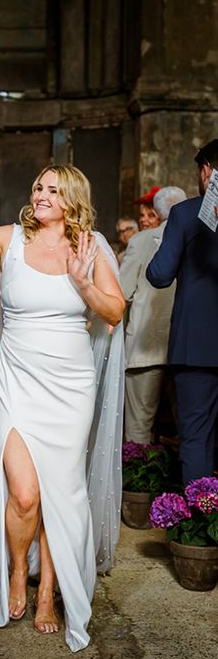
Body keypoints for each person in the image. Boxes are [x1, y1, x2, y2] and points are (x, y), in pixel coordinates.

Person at [0, 161, 124, 651]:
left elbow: (115, 309)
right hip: (17, 381)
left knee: (61, 492)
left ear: (71, 200)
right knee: (23, 493)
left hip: (70, 385)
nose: (39, 195)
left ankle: (47, 593)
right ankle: (19, 570)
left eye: (51, 190)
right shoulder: (8, 239)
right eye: (37, 186)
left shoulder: (91, 245)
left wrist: (83, 284)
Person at [147, 140, 218, 484]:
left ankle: (200, 531)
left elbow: (159, 275)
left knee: (196, 438)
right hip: (198, 349)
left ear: (206, 171)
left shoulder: (186, 213)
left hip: (197, 348)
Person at [120, 185, 186, 445]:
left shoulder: (140, 241)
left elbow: (122, 292)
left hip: (145, 347)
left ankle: (137, 482)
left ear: (157, 212)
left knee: (138, 428)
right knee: (189, 428)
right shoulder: (200, 235)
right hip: (186, 349)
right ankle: (193, 485)